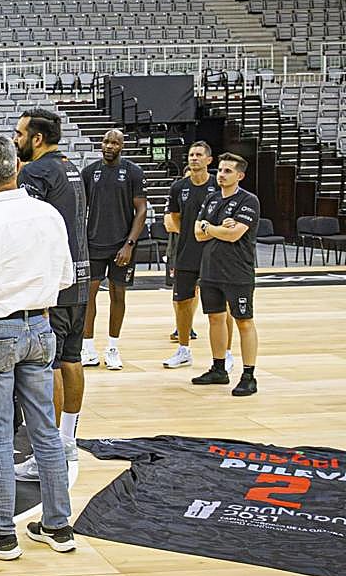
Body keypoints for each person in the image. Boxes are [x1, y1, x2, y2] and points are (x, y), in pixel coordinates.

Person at [0, 135, 76, 560]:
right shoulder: (48, 214)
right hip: (40, 326)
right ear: (17, 169)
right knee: (46, 431)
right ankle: (58, 525)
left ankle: (1, 532)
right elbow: (66, 278)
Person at [12, 108, 89, 481]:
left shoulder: (35, 172)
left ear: (36, 138)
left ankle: (49, 454)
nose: (16, 140)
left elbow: (31, 228)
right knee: (72, 359)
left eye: (19, 134)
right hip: (81, 277)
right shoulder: (71, 167)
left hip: (54, 283)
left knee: (50, 366)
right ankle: (67, 441)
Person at [193, 153, 260, 397]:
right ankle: (218, 369)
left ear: (239, 175)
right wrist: (217, 228)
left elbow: (234, 235)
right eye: (220, 170)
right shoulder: (212, 198)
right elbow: (197, 233)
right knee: (215, 318)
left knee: (243, 321)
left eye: (227, 171)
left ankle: (249, 376)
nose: (221, 174)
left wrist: (209, 227)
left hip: (237, 271)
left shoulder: (248, 201)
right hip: (210, 269)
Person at [80, 129, 147, 371]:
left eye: (115, 143)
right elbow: (81, 208)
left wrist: (129, 244)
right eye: (106, 141)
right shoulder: (89, 172)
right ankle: (87, 348)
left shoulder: (133, 172)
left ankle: (112, 347)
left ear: (122, 146)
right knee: (88, 296)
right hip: (94, 243)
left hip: (122, 245)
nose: (109, 146)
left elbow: (141, 210)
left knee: (118, 295)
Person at [163, 143, 234, 370]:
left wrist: (209, 234)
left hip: (214, 255)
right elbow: (174, 217)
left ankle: (227, 353)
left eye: (199, 155)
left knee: (221, 306)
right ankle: (183, 350)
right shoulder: (178, 187)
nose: (194, 158)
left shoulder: (218, 185)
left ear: (209, 160)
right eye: (192, 155)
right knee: (182, 302)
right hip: (186, 253)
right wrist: (189, 233)